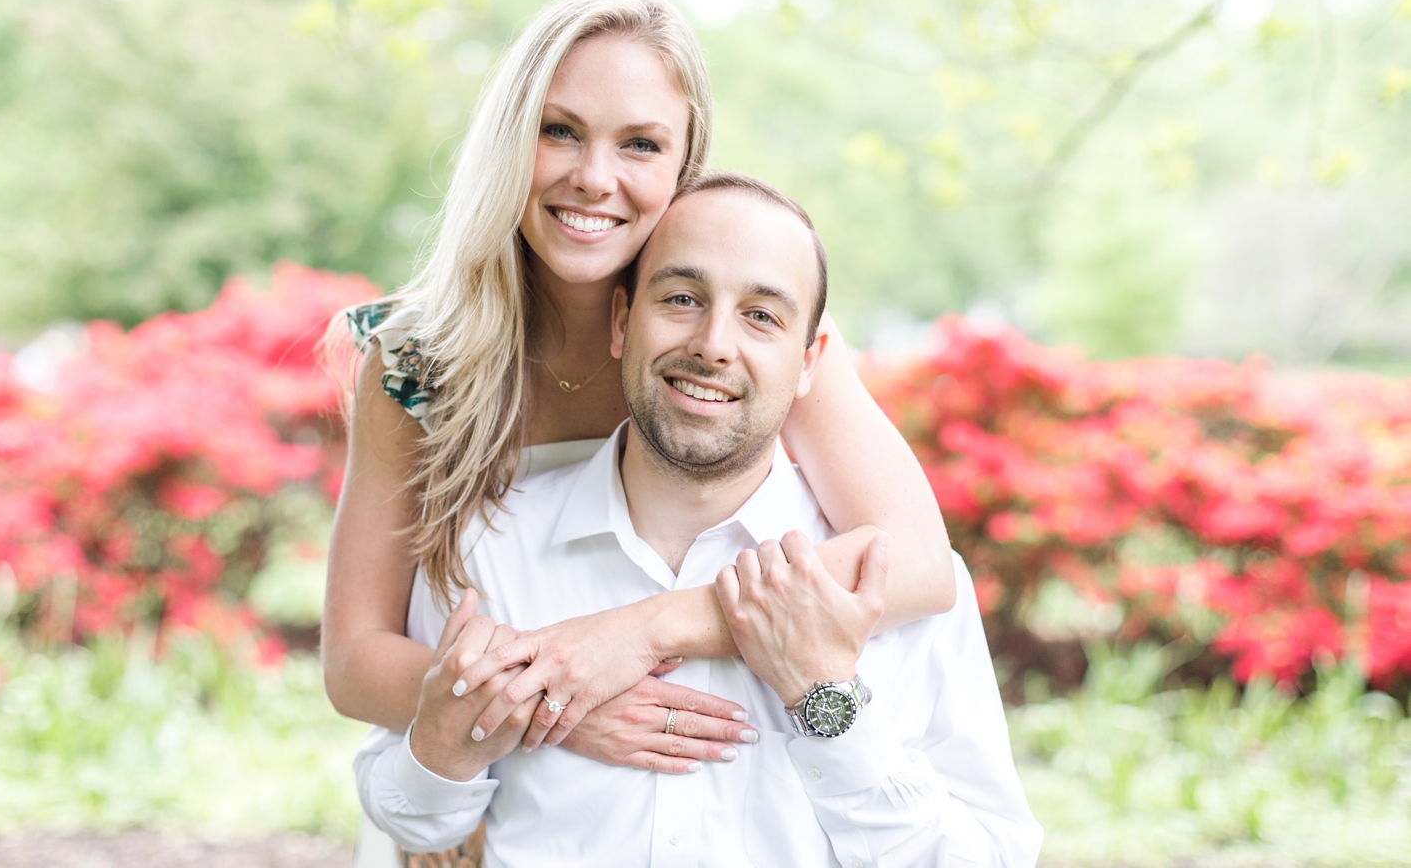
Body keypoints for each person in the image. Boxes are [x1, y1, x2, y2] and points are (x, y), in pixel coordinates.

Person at [326, 0, 956, 835]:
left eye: (640, 144)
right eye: (559, 131)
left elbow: (918, 564)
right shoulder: (416, 361)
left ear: (684, 165)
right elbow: (355, 658)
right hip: (473, 787)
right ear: (510, 138)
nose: (594, 178)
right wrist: (555, 706)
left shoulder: (734, 345)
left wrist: (642, 631)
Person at [355, 173, 1042, 867]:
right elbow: (411, 820)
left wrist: (828, 701)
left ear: (809, 363)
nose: (714, 344)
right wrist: (445, 747)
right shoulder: (491, 545)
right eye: (682, 299)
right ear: (622, 323)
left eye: (761, 316)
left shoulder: (887, 586)